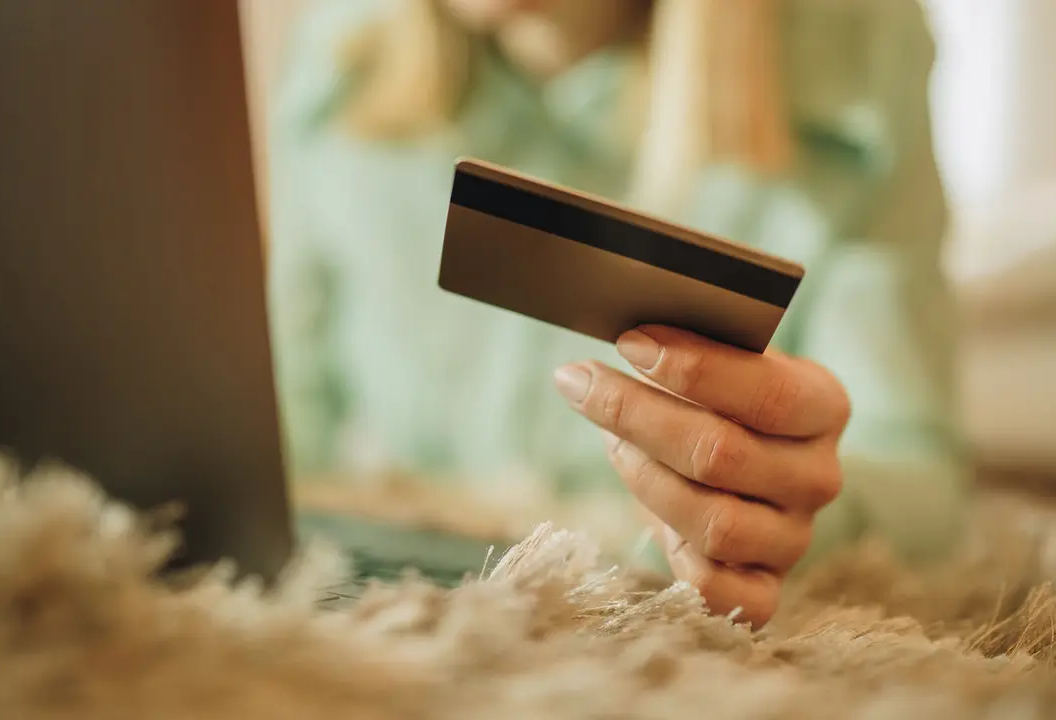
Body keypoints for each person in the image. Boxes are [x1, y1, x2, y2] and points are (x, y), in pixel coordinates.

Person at [267, 0, 971, 623]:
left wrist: (792, 515)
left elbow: (915, 468)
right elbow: (274, 425)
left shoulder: (855, 51)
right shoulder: (338, 48)